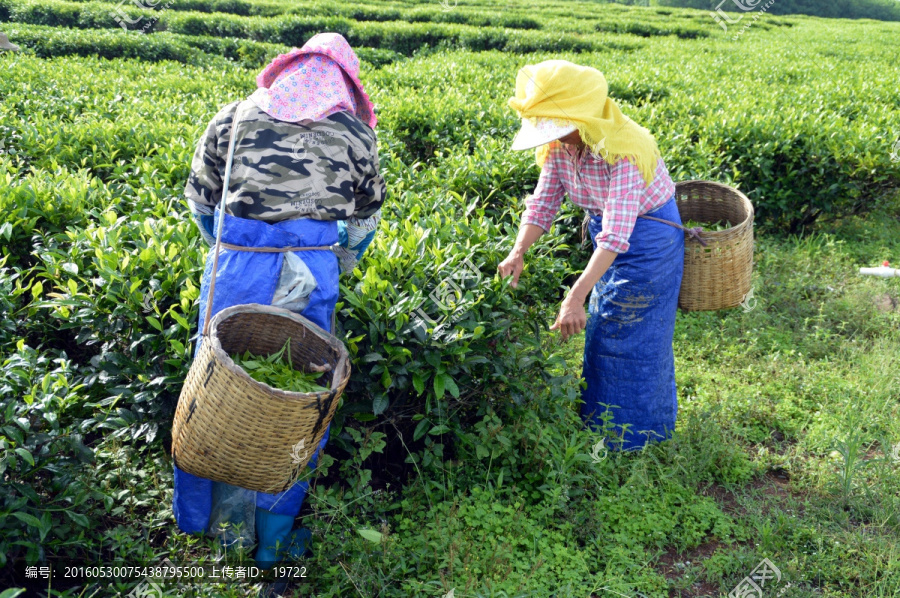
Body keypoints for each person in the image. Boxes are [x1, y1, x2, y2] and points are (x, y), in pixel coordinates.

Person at [174, 32, 385, 579]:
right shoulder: (356, 135)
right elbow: (363, 226)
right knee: (295, 399)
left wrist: (238, 246)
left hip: (236, 267)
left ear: (287, 71)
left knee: (220, 389)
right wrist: (333, 259)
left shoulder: (234, 117)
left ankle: (215, 530)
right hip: (309, 274)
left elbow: (200, 201)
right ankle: (271, 548)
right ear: (344, 82)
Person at [498, 60, 685, 451]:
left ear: (581, 116)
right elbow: (543, 204)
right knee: (606, 329)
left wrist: (575, 295)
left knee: (631, 333)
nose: (554, 135)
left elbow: (619, 234)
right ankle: (602, 425)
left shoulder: (626, 148)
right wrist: (518, 252)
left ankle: (635, 438)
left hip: (649, 239)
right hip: (609, 236)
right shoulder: (561, 146)